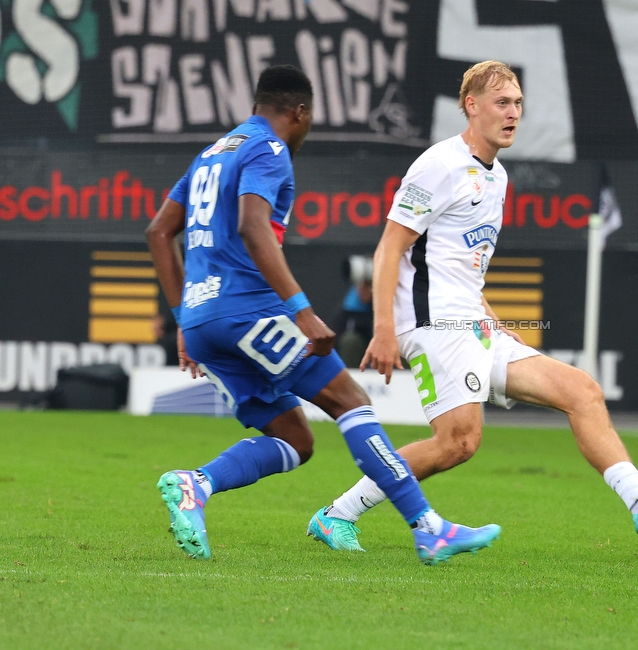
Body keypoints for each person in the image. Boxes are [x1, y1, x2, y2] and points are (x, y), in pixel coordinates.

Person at [308, 61, 638, 553]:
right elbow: (389, 248)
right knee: (458, 441)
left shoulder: (497, 176)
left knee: (581, 391)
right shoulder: (438, 164)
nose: (513, 113)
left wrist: (495, 322)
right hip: (433, 322)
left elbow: (463, 266)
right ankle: (338, 514)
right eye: (502, 103)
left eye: (519, 103)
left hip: (473, 323)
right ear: (472, 105)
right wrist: (383, 329)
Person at [145, 64, 500, 565]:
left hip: (204, 322)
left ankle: (194, 485)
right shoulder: (269, 151)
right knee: (351, 401)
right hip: (249, 312)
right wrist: (302, 311)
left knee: (295, 437)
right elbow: (253, 224)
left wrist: (185, 318)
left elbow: (159, 232)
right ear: (300, 112)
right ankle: (429, 529)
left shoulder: (213, 153)